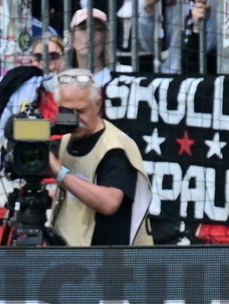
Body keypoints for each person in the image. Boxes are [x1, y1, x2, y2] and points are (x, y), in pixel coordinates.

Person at [47, 69, 153, 246]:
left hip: (108, 254)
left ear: (97, 104)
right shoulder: (67, 139)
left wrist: (59, 173)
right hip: (71, 249)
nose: (74, 119)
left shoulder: (114, 147)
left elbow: (109, 203)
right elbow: (80, 186)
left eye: (81, 111)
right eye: (67, 111)